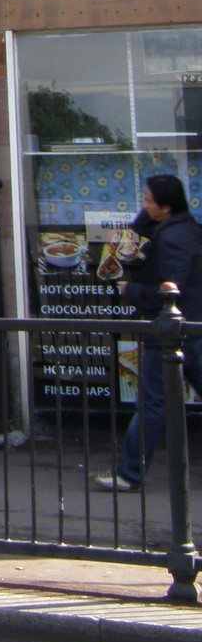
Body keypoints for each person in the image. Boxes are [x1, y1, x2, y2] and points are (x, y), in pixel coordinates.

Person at [95, 174, 202, 491]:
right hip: (192, 329)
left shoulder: (171, 239)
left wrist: (132, 290)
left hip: (170, 332)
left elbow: (169, 290)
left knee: (152, 404)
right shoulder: (186, 228)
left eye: (148, 201)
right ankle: (129, 473)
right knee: (155, 403)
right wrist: (145, 216)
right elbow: (136, 232)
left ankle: (129, 474)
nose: (143, 205)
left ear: (165, 207)